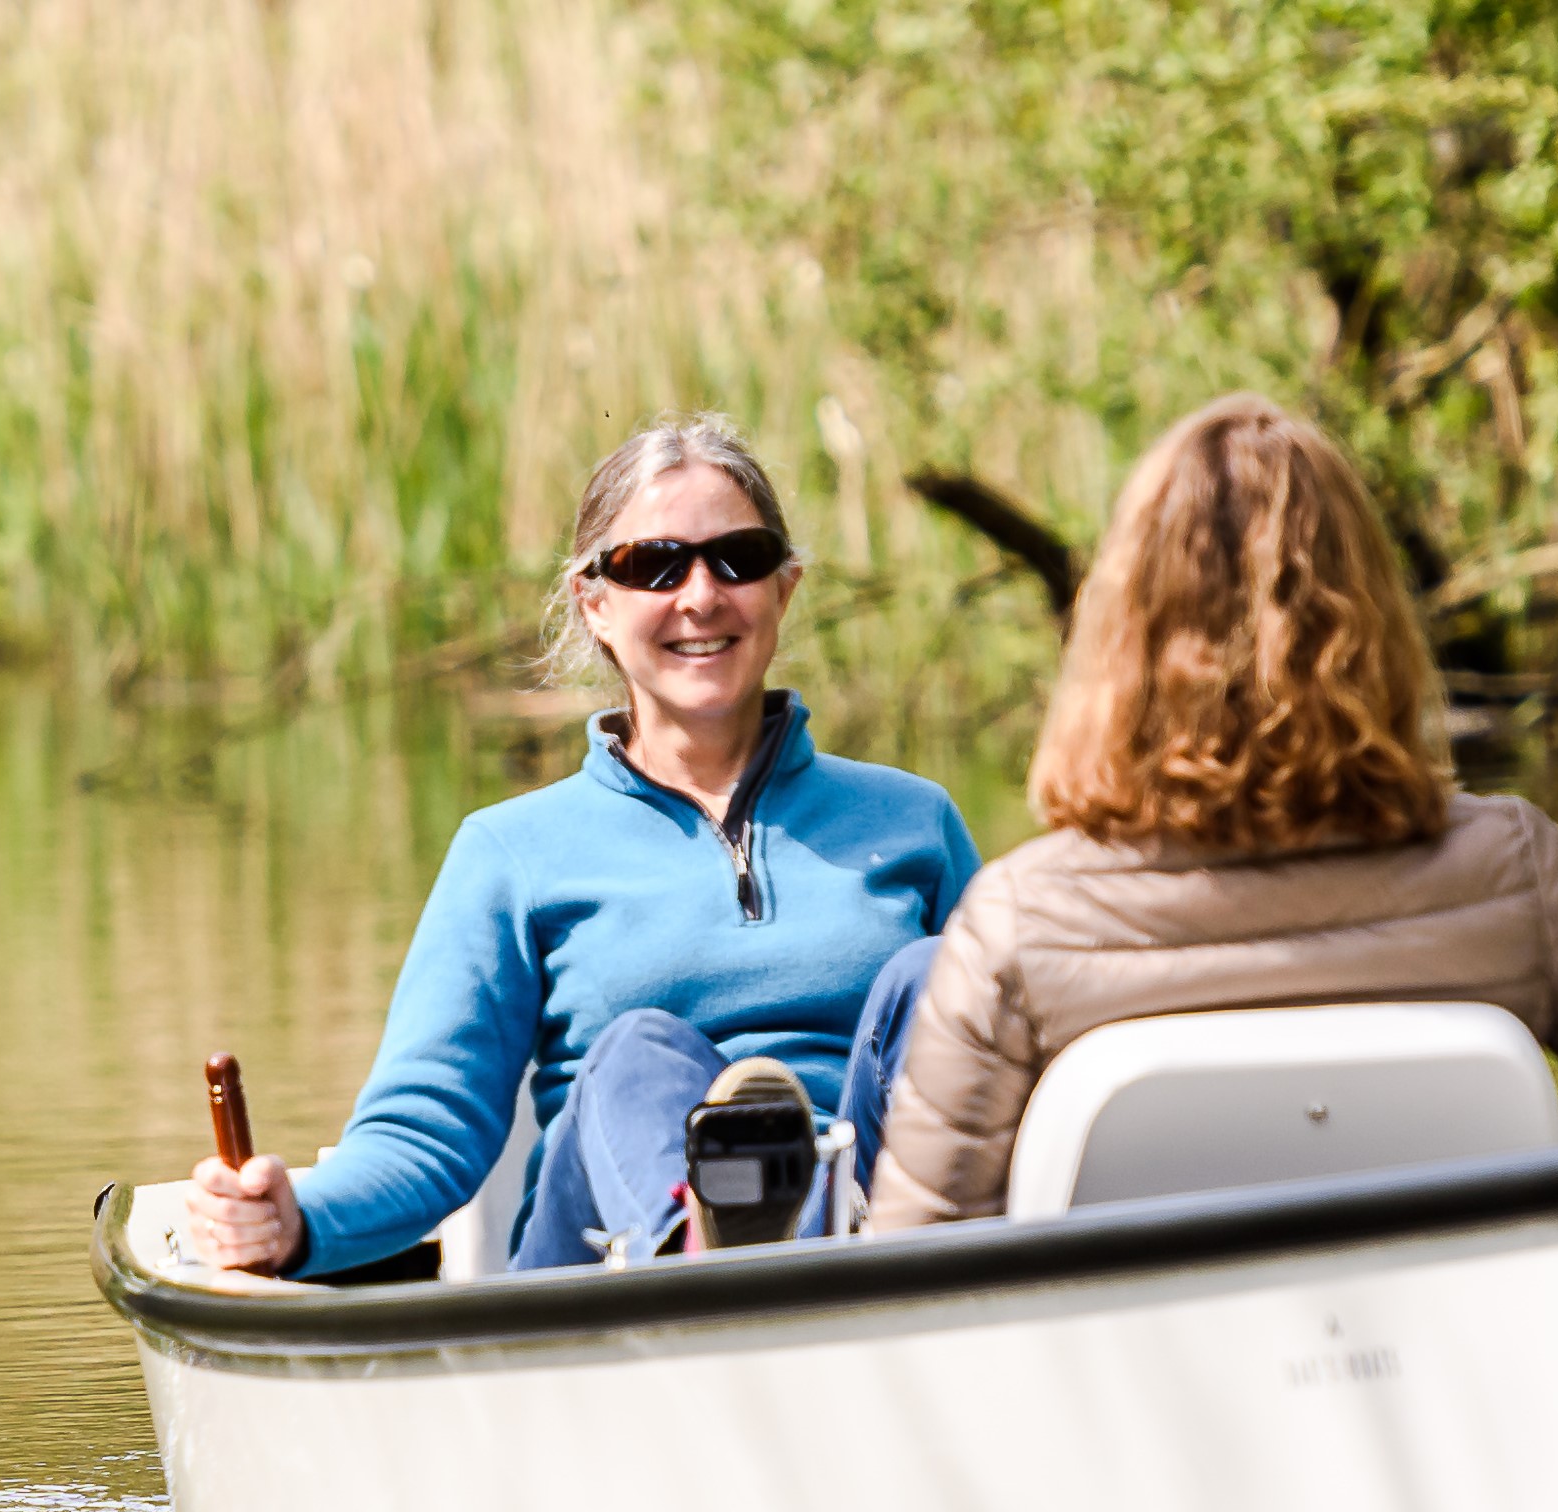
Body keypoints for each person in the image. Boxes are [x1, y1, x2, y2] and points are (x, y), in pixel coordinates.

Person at [861, 396, 1558, 1228]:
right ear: (1376, 617)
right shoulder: (1517, 875)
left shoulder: (1018, 922)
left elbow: (908, 1293)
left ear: (1121, 635)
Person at [181, 417, 980, 1276]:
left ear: (783, 588)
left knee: (938, 976)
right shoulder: (510, 853)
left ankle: (867, 1254)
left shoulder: (912, 820)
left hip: (868, 1233)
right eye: (655, 566)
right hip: (609, 1273)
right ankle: (705, 1244)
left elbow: (1030, 1050)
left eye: (737, 558)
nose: (701, 594)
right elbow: (426, 1129)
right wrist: (294, 1220)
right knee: (637, 1054)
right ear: (594, 603)